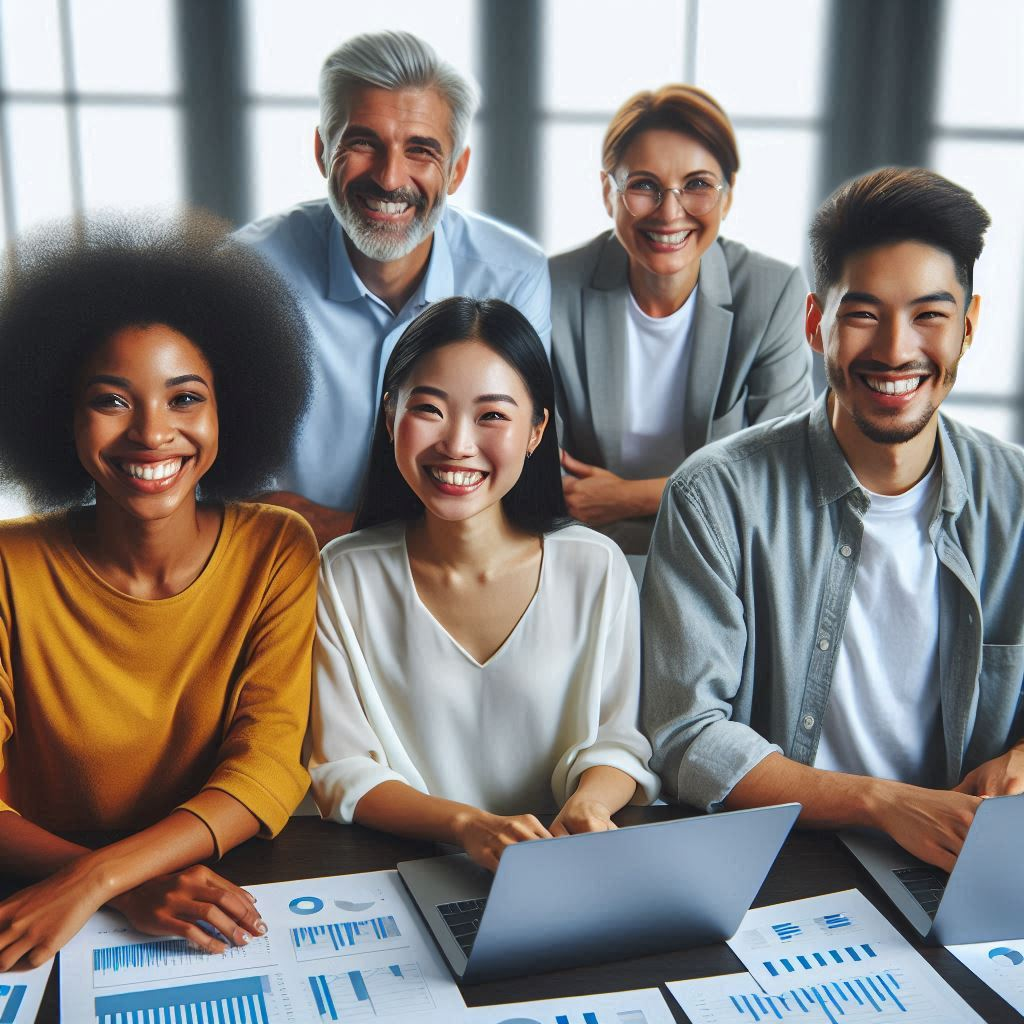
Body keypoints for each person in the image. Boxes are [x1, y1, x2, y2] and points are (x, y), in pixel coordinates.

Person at [642, 167, 1024, 872]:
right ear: (818, 324)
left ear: (968, 329)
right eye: (865, 314)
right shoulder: (716, 497)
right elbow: (686, 737)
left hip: (963, 864)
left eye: (930, 316)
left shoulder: (1018, 497)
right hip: (781, 865)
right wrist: (883, 802)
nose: (896, 350)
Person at [0, 215, 319, 967]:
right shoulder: (9, 565)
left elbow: (268, 765)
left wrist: (106, 875)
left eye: (184, 399)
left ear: (228, 409)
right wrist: (108, 885)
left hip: (210, 894)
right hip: (39, 894)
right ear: (62, 416)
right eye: (112, 400)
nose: (152, 433)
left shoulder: (276, 548)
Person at [307, 297, 658, 871]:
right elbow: (343, 768)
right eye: (430, 409)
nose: (457, 445)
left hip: (561, 867)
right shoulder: (344, 573)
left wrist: (589, 805)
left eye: (492, 415)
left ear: (536, 430)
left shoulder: (595, 566)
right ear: (390, 414)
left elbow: (619, 740)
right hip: (403, 873)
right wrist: (467, 826)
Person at [236, 31, 551, 547]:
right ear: (321, 151)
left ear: (457, 170)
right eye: (363, 143)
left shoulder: (514, 276)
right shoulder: (248, 273)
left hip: (455, 570)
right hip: (287, 572)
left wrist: (339, 527)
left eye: (421, 150)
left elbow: (517, 470)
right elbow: (226, 488)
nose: (389, 177)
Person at [550, 85, 813, 554]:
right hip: (583, 554)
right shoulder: (556, 288)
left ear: (728, 196)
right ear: (608, 193)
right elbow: (542, 470)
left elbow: (782, 474)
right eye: (644, 185)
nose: (671, 213)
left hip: (726, 559)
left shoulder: (771, 294)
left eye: (696, 185)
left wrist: (626, 497)